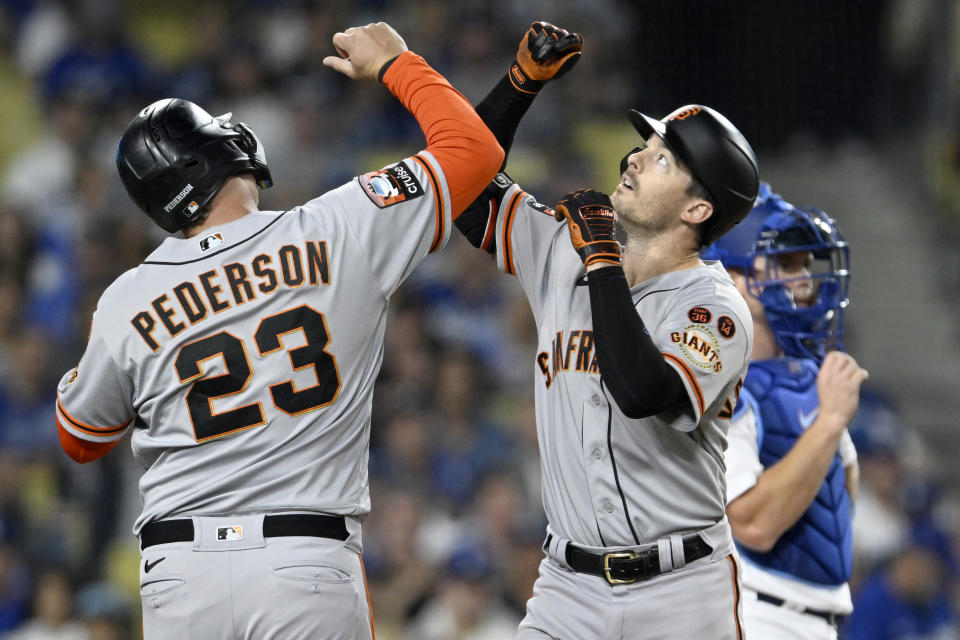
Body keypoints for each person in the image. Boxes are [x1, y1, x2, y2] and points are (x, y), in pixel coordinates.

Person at [53, 22, 502, 640]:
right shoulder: (336, 224)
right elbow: (474, 152)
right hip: (304, 561)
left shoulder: (126, 298)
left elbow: (80, 437)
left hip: (179, 575)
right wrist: (398, 63)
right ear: (211, 157)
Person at [455, 21, 759, 639]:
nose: (635, 158)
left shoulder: (714, 307)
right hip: (565, 587)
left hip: (680, 592)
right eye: (645, 147)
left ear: (697, 210)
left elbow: (642, 391)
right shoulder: (571, 250)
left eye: (662, 159)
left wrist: (600, 261)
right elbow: (464, 189)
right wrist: (521, 84)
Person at [702, 183, 868, 639]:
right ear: (732, 276)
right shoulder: (718, 380)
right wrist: (830, 421)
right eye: (785, 264)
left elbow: (839, 496)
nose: (803, 279)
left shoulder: (805, 376)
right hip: (756, 615)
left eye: (804, 264)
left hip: (810, 619)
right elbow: (753, 524)